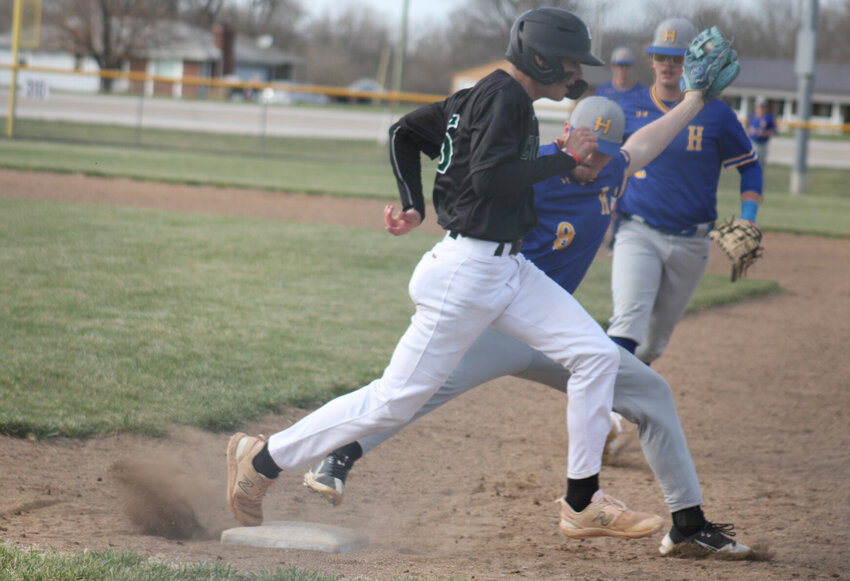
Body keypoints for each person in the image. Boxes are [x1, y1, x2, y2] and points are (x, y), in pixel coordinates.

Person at [226, 8, 665, 541]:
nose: (577, 75)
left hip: (507, 267)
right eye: (571, 63)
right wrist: (561, 157)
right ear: (542, 57)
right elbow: (488, 179)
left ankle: (582, 500)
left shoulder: (484, 95)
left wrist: (413, 204)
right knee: (393, 399)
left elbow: (404, 133)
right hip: (470, 273)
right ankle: (263, 460)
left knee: (595, 355)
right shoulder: (504, 99)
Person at [304, 94, 751, 555]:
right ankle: (337, 454)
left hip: (559, 334)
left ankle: (688, 526)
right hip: (493, 323)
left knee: (652, 393)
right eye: (588, 149)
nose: (594, 163)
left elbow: (643, 145)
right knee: (409, 392)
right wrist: (413, 208)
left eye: (604, 153)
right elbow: (471, 197)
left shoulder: (612, 167)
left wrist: (695, 99)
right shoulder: (531, 170)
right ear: (566, 137)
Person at [606, 17, 763, 365]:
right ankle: (602, 406)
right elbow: (608, 167)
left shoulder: (717, 115)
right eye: (661, 56)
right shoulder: (629, 107)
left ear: (695, 62)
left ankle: (621, 394)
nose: (668, 64)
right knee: (627, 322)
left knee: (652, 345)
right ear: (650, 59)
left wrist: (749, 217)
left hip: (692, 241)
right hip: (637, 230)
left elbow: (750, 167)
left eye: (678, 58)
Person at [748, 96, 776, 165]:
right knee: (751, 165)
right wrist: (751, 132)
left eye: (762, 106)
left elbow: (774, 131)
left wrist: (764, 133)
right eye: (758, 106)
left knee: (760, 165)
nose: (760, 108)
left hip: (763, 144)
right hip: (753, 143)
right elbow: (748, 130)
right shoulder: (752, 116)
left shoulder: (768, 117)